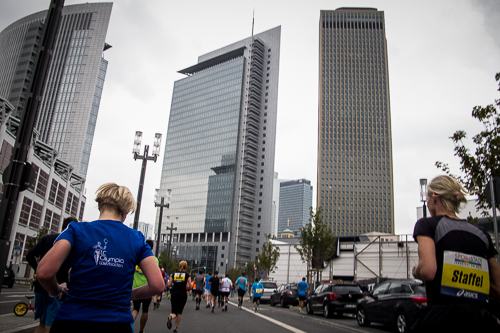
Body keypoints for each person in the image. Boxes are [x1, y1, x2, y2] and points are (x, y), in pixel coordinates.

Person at [36, 183, 164, 333]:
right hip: (116, 322)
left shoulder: (76, 230)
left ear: (100, 205)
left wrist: (56, 291)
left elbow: (44, 273)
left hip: (72, 320)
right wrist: (129, 294)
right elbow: (157, 285)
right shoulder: (136, 239)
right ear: (126, 210)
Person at [411, 175, 500, 331]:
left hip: (442, 318)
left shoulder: (427, 225)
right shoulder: (481, 233)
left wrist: (416, 271)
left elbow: (428, 271)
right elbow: (497, 287)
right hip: (480, 320)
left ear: (434, 197)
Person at [26, 216, 78, 333]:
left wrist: (38, 269)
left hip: (40, 286)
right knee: (51, 324)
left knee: (42, 324)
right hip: (58, 288)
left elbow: (30, 255)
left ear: (62, 226)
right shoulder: (72, 243)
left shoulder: (47, 238)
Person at [131, 239, 158, 333]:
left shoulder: (137, 258)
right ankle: (141, 330)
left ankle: (130, 326)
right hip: (147, 288)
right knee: (145, 310)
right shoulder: (153, 259)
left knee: (135, 309)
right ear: (152, 248)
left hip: (136, 288)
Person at [167, 261, 192, 332]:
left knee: (174, 311)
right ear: (186, 267)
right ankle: (175, 328)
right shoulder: (187, 275)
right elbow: (190, 286)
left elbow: (169, 284)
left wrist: (174, 285)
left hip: (174, 293)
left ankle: (171, 317)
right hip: (183, 294)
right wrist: (187, 286)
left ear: (179, 266)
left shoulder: (174, 274)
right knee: (180, 312)